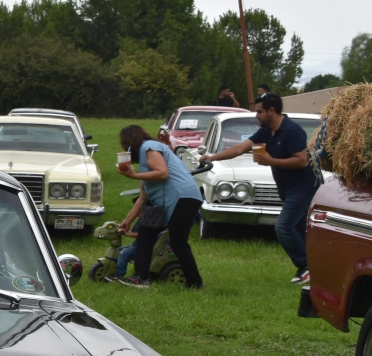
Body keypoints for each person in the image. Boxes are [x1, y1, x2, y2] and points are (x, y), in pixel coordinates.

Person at [203, 92, 320, 283]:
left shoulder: (292, 131)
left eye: (259, 112)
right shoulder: (266, 131)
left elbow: (301, 161)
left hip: (304, 186)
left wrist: (270, 160)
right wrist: (212, 158)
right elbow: (240, 148)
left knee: (283, 227)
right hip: (288, 188)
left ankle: (305, 267)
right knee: (298, 229)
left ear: (271, 111)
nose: (256, 116)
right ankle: (317, 269)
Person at [116, 125, 205, 288]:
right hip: (175, 201)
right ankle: (142, 277)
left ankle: (195, 283)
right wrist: (128, 220)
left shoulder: (149, 147)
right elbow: (143, 199)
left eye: (124, 146)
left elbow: (163, 172)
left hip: (184, 198)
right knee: (145, 231)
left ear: (130, 142)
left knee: (178, 242)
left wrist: (133, 175)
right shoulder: (144, 163)